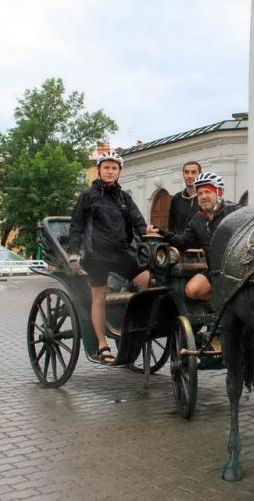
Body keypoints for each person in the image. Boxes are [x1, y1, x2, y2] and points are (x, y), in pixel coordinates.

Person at [67, 151, 150, 365]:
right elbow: (76, 226)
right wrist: (74, 253)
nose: (110, 171)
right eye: (107, 167)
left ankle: (133, 323)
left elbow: (139, 224)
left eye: (114, 168)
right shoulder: (88, 195)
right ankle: (102, 344)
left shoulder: (124, 198)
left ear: (119, 172)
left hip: (121, 252)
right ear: (99, 170)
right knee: (99, 298)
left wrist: (151, 239)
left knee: (148, 280)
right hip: (96, 255)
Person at [150, 172, 239, 302]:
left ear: (219, 193)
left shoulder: (234, 212)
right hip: (214, 271)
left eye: (208, 192)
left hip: (236, 272)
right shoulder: (198, 220)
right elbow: (183, 241)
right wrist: (162, 233)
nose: (203, 196)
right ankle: (223, 305)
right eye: (200, 193)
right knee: (192, 290)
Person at [168, 161, 201, 235]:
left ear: (200, 174)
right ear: (183, 174)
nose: (189, 176)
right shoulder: (176, 199)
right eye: (186, 172)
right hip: (180, 244)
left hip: (200, 245)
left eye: (193, 172)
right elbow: (171, 227)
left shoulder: (205, 198)